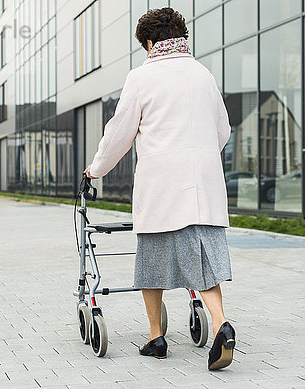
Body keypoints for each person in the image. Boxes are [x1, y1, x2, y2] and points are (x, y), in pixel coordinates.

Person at [85, 7, 235, 371]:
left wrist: (96, 169)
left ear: (150, 42)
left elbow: (119, 132)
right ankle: (220, 323)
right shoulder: (203, 74)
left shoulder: (142, 77)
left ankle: (156, 337)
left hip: (162, 184)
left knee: (151, 261)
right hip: (204, 183)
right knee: (206, 262)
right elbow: (223, 129)